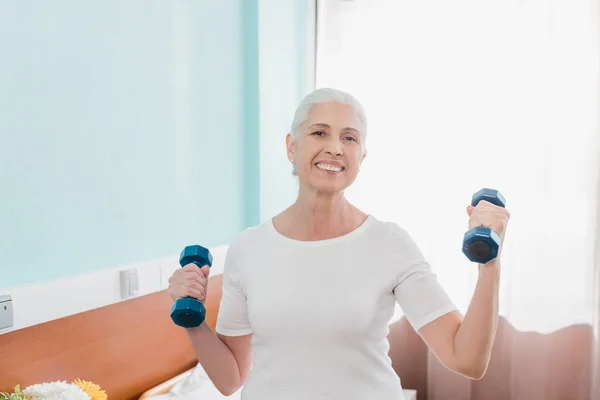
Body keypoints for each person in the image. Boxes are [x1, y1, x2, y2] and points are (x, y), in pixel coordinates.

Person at [167, 88, 511, 400]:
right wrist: (194, 322)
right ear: (291, 146)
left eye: (349, 138)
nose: (335, 147)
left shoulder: (389, 243)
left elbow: (466, 359)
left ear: (361, 157)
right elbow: (230, 379)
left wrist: (489, 266)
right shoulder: (248, 248)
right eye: (319, 133)